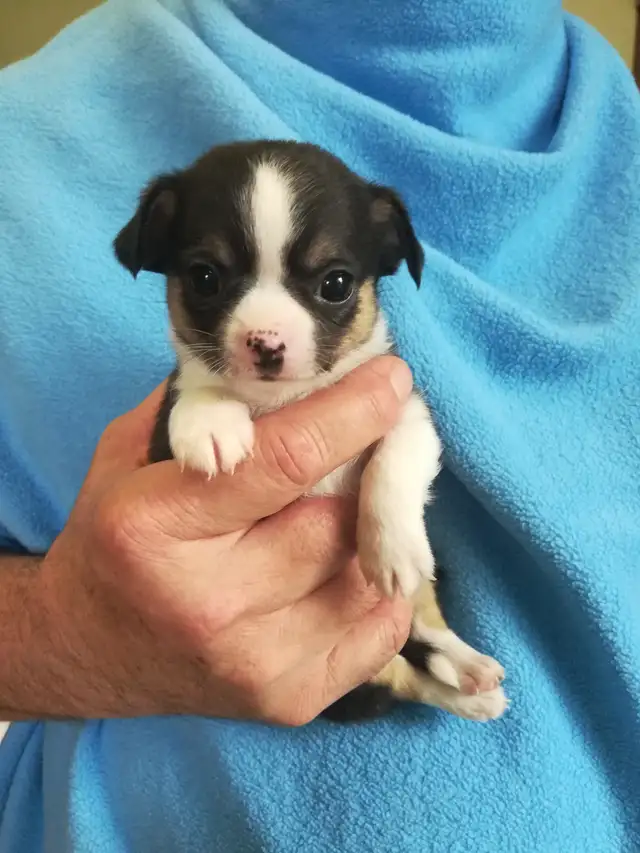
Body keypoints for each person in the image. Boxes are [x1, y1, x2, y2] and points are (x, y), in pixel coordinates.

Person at [0, 1, 638, 852]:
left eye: (329, 286)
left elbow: (407, 434)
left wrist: (388, 504)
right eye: (211, 280)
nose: (267, 332)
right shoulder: (25, 133)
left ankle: (428, 653)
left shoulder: (617, 124)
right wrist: (62, 630)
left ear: (384, 266)